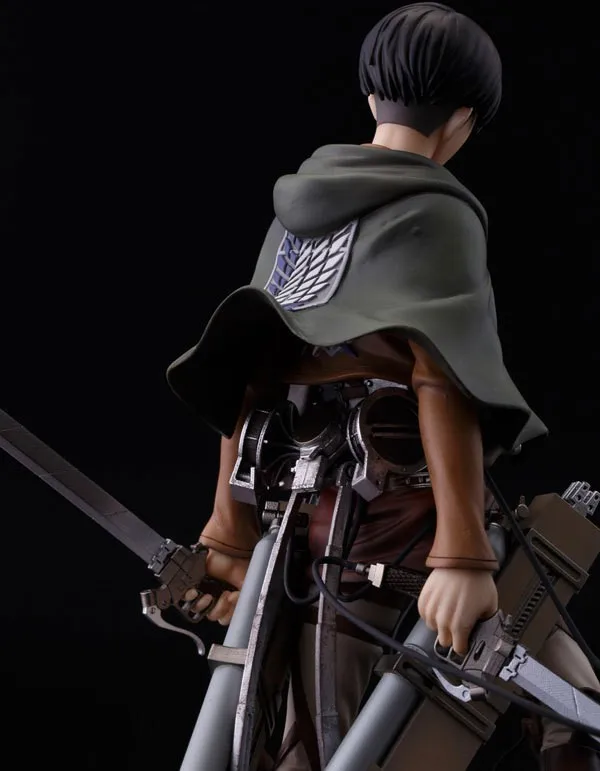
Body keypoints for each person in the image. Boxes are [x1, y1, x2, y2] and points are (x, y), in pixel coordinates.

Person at [166, 5, 600, 769]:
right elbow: (443, 379)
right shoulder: (439, 212)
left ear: (372, 98)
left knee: (567, 701)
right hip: (399, 532)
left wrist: (228, 532)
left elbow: (252, 380)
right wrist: (461, 557)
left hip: (306, 523)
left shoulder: (298, 211)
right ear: (463, 119)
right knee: (331, 740)